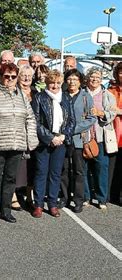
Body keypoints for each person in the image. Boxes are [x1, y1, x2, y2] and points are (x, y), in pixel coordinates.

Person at [0, 63, 39, 224]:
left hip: (17, 144)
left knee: (10, 180)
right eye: (7, 76)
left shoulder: (22, 97)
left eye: (13, 77)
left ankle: (6, 210)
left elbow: (31, 119)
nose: (10, 79)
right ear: (1, 77)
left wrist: (30, 141)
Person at [31, 70, 75, 218]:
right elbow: (35, 122)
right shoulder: (38, 98)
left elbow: (71, 121)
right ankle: (38, 205)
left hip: (61, 141)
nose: (54, 85)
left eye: (57, 83)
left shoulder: (66, 98)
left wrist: (63, 135)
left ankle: (52, 204)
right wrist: (50, 138)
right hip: (44, 142)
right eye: (51, 82)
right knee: (41, 172)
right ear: (47, 83)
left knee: (55, 174)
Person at [60, 69, 96, 213]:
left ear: (80, 81)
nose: (72, 82)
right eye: (69, 79)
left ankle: (78, 200)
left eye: (75, 79)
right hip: (63, 139)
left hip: (79, 139)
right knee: (63, 170)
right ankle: (64, 197)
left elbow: (91, 118)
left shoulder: (86, 97)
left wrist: (73, 128)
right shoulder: (61, 96)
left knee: (79, 171)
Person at [85, 67, 117, 210]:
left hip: (101, 136)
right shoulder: (82, 93)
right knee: (84, 168)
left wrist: (101, 113)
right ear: (87, 78)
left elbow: (113, 112)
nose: (95, 79)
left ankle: (101, 198)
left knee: (101, 168)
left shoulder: (107, 94)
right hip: (84, 135)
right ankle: (85, 196)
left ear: (101, 79)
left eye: (98, 77)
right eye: (92, 76)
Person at [16, 65, 38, 209]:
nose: (26, 78)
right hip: (17, 134)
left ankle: (30, 195)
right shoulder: (14, 92)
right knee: (16, 167)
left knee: (32, 167)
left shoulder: (37, 93)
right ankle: (13, 195)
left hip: (34, 135)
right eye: (23, 75)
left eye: (29, 76)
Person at [107, 62, 122, 205]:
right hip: (114, 133)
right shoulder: (111, 90)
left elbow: (115, 109)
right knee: (112, 167)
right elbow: (109, 109)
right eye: (120, 72)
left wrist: (119, 111)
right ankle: (110, 194)